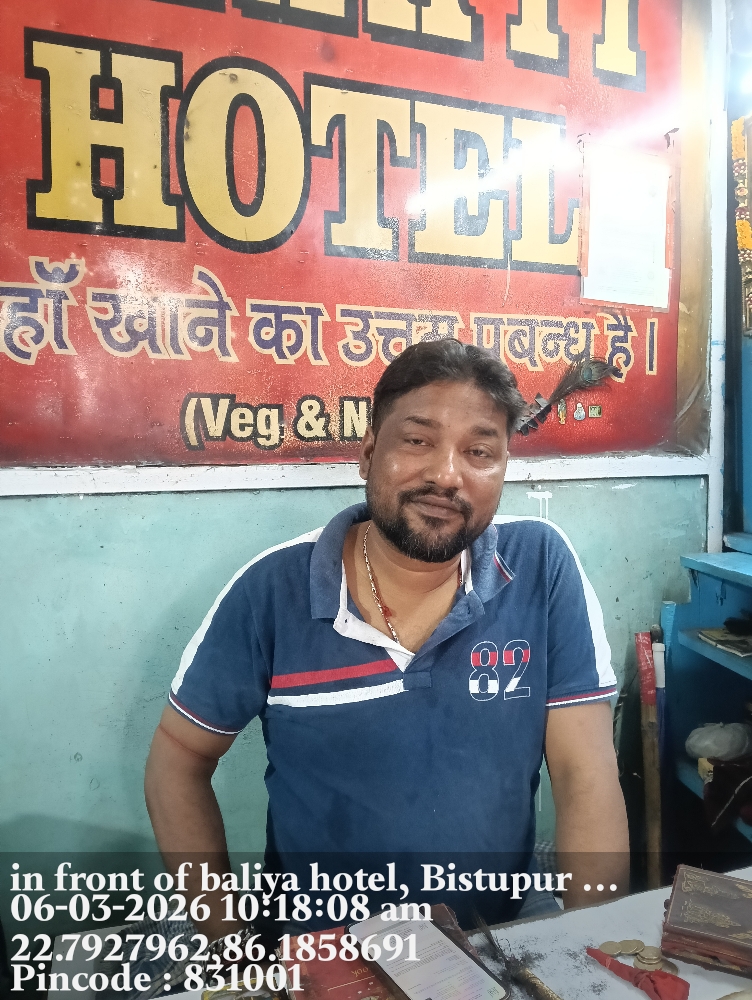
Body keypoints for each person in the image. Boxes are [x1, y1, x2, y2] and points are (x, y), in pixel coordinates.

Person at [145, 339, 628, 945]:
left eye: (479, 452)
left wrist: (592, 952)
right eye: (418, 441)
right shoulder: (272, 592)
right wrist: (231, 946)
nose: (446, 475)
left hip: (497, 939)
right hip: (321, 953)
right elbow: (178, 759)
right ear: (369, 451)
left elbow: (585, 775)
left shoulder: (539, 567)